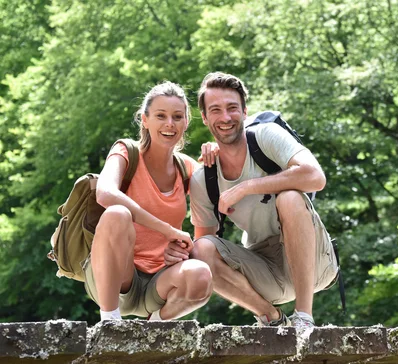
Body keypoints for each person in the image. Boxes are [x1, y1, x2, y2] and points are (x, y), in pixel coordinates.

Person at [164, 72, 339, 330]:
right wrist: (178, 254)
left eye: (232, 108)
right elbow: (205, 251)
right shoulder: (204, 180)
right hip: (268, 273)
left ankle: (304, 318)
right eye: (215, 110)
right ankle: (271, 317)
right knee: (199, 250)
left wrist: (246, 187)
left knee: (289, 198)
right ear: (204, 117)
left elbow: (315, 176)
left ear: (245, 111)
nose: (225, 117)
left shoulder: (266, 136)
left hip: (316, 264)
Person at [85, 81, 213, 321]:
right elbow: (105, 193)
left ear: (186, 122)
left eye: (177, 117)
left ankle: (154, 328)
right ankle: (110, 322)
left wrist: (215, 153)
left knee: (201, 274)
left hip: (158, 285)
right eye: (160, 116)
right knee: (117, 214)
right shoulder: (126, 151)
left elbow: (218, 197)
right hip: (115, 280)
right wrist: (167, 230)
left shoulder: (186, 168)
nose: (169, 124)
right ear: (144, 119)